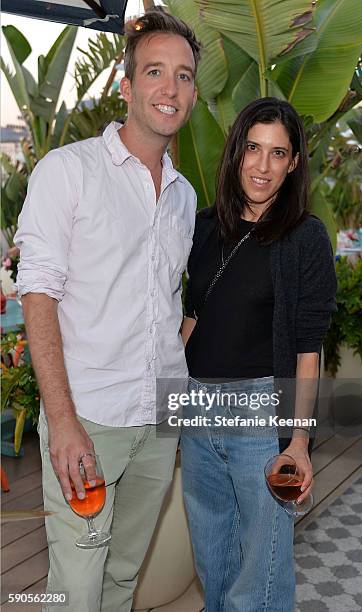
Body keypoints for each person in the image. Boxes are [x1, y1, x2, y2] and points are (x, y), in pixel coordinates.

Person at [14, 10, 200, 612]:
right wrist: (62, 421)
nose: (169, 89)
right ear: (126, 86)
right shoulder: (68, 173)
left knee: (122, 577)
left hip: (160, 418)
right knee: (77, 587)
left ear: (194, 91)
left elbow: (166, 302)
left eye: (183, 75)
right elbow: (38, 296)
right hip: (89, 417)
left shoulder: (183, 197)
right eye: (155, 72)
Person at [180, 97, 337, 612]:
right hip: (198, 408)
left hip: (259, 412)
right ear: (236, 152)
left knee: (261, 575)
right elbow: (192, 320)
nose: (262, 166)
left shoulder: (305, 238)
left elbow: (307, 350)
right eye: (253, 148)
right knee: (213, 562)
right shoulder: (205, 227)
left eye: (277, 153)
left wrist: (297, 443)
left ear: (293, 163)